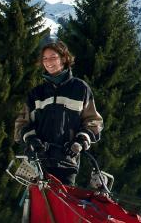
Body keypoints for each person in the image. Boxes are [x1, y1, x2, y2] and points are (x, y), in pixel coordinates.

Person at [14, 40, 103, 185]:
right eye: (45, 58)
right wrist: (31, 139)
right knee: (37, 206)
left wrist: (80, 141)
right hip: (37, 162)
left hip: (66, 162)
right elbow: (21, 123)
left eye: (53, 57)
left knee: (60, 206)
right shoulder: (36, 93)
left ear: (64, 58)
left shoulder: (80, 88)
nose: (48, 62)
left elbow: (94, 121)